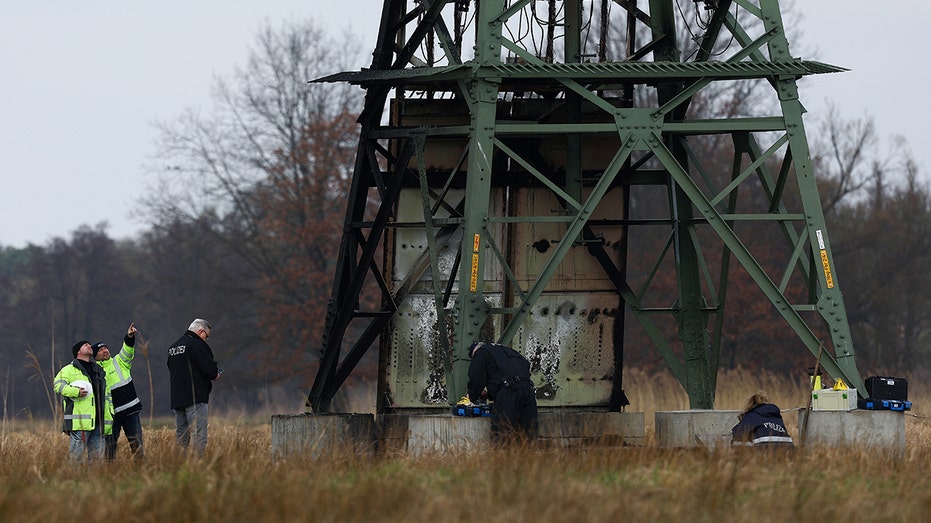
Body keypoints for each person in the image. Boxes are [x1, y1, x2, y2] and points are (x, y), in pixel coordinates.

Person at [167, 318, 221, 455]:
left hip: (178, 398)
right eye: (206, 336)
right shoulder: (197, 344)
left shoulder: (173, 347)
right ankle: (198, 466)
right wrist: (215, 374)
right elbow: (208, 368)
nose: (206, 340)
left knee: (181, 436)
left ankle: (180, 464)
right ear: (200, 331)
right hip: (195, 397)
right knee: (199, 434)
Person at [52, 340, 112, 461]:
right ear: (78, 352)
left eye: (90, 344)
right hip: (81, 423)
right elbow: (57, 385)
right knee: (76, 461)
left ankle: (93, 480)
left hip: (99, 423)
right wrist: (75, 392)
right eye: (85, 345)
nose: (89, 346)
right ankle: (72, 480)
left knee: (97, 463)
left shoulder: (98, 370)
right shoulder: (68, 370)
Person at [466, 341, 538, 441]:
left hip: (509, 392)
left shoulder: (481, 352)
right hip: (528, 391)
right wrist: (490, 394)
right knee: (527, 435)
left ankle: (502, 456)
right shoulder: (509, 352)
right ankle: (527, 456)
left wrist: (472, 396)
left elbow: (476, 378)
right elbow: (508, 374)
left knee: (502, 435)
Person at [95, 322, 144, 459]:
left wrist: (129, 337)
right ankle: (109, 472)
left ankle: (141, 470)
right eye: (100, 350)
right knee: (109, 449)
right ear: (95, 356)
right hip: (111, 416)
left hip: (130, 411)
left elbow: (127, 350)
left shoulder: (119, 361)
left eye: (106, 348)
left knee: (137, 446)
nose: (105, 350)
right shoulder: (95, 372)